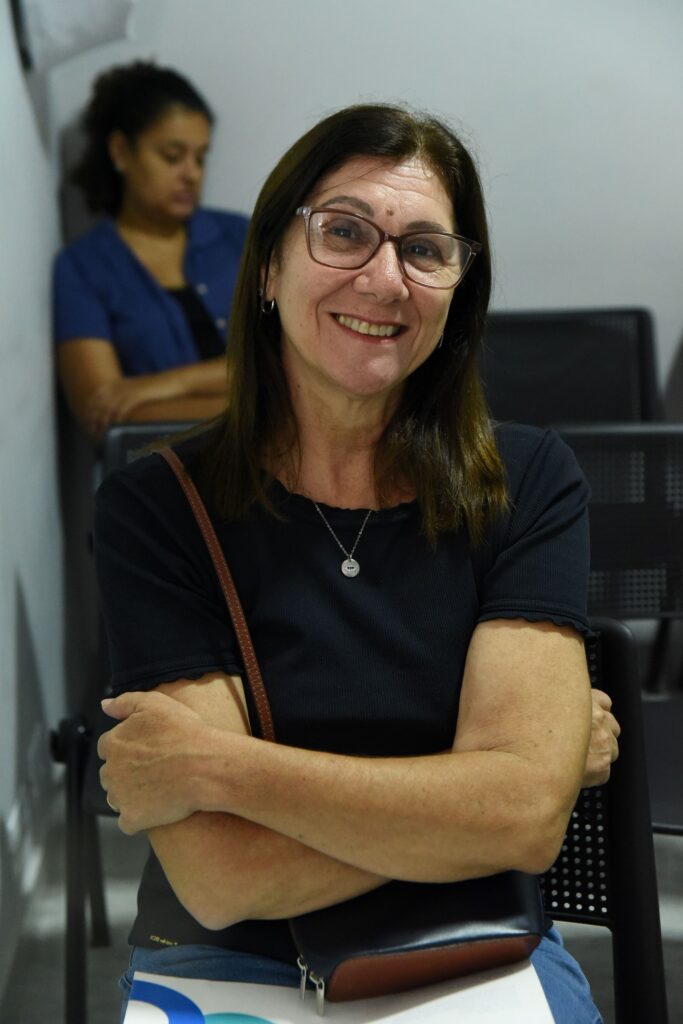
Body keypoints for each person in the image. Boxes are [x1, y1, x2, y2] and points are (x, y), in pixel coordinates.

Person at [94, 103, 620, 1023]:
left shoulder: (526, 481)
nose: (383, 280)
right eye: (343, 232)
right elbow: (222, 876)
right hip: (233, 958)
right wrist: (492, 793)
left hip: (473, 942)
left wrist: (219, 769)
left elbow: (524, 820)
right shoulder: (157, 507)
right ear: (268, 267)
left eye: (423, 249)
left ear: (457, 290)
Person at [53, 61, 249, 439]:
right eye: (172, 156)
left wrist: (167, 385)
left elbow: (297, 363)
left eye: (200, 157)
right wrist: (265, 406)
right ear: (121, 152)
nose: (191, 173)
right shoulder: (83, 267)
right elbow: (105, 413)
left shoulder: (239, 236)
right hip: (161, 467)